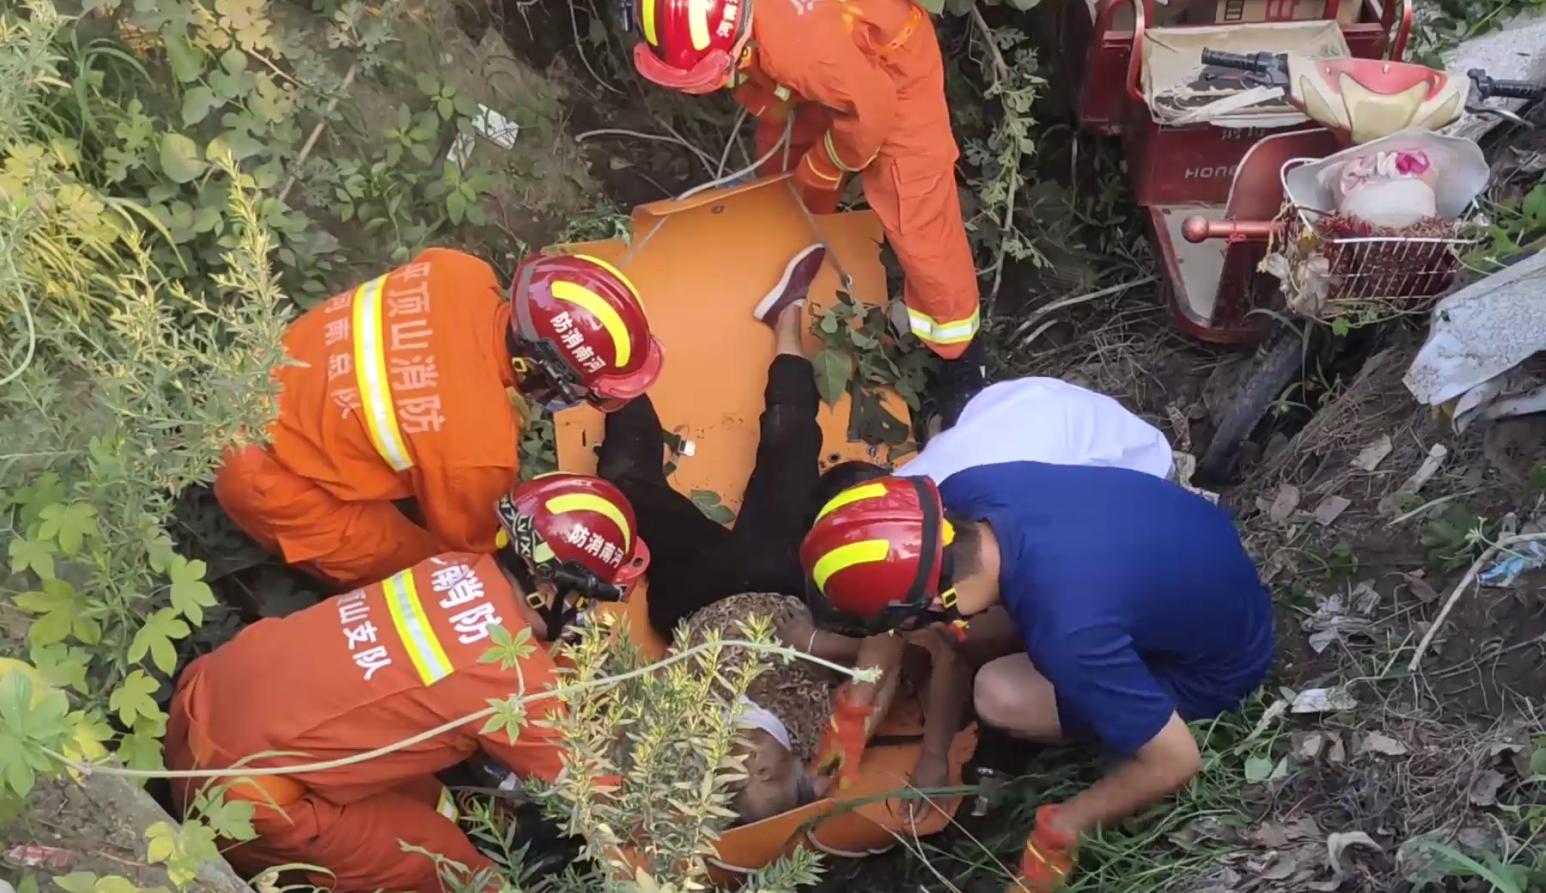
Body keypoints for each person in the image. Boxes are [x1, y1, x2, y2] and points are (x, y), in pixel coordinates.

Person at [596, 245, 962, 801]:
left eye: (732, 782)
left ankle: (615, 367)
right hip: (781, 579)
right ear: (792, 769)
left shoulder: (685, 740)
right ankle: (786, 319)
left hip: (697, 593)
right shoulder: (823, 737)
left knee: (623, 494)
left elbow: (624, 727)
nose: (745, 761)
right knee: (789, 445)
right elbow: (888, 654)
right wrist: (814, 645)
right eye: (764, 774)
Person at [166, 474, 648, 893]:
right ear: (548, 591)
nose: (592, 614)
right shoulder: (515, 682)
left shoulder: (451, 568)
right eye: (589, 599)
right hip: (241, 805)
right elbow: (594, 796)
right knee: (460, 873)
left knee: (434, 802)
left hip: (200, 710)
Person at [799, 469, 1273, 892]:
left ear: (930, 606)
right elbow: (943, 630)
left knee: (999, 694)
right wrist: (908, 740)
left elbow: (1176, 760)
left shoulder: (1068, 633)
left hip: (1220, 659)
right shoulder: (964, 495)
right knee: (969, 636)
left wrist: (1061, 830)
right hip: (1193, 544)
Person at [215, 249, 664, 589]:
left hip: (255, 380)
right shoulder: (476, 449)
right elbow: (471, 548)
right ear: (538, 369)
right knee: (435, 574)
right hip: (265, 479)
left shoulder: (459, 270)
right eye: (580, 392)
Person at [629, 0, 983, 395]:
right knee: (785, 156)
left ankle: (962, 359)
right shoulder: (750, 30)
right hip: (831, 57)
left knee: (916, 212)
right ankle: (792, 254)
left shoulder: (804, 55)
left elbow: (873, 111)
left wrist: (828, 162)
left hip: (892, 69)